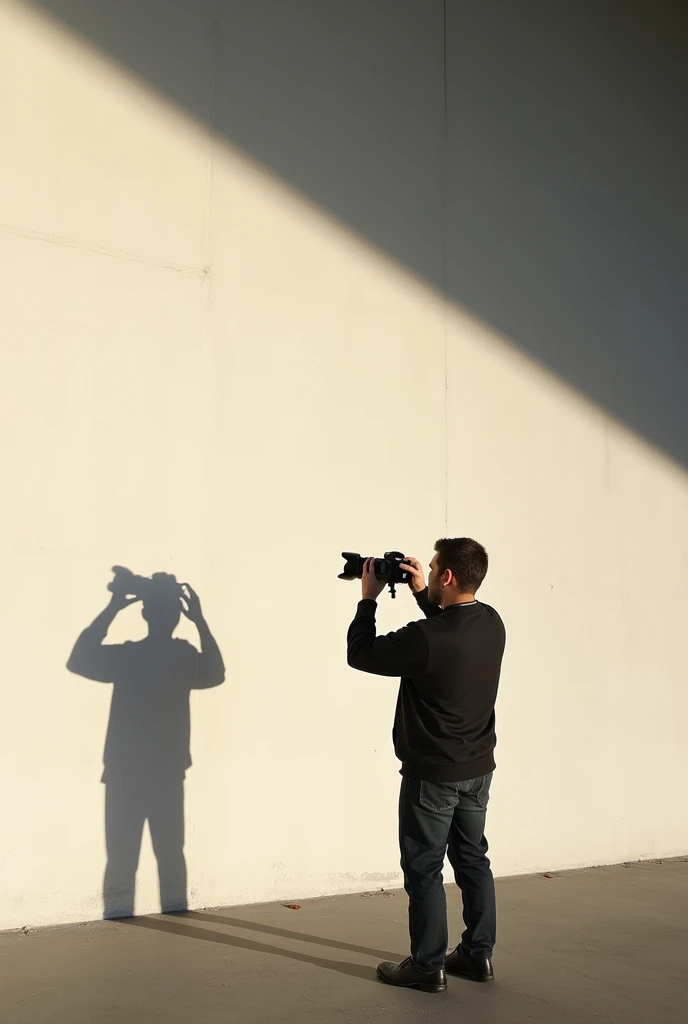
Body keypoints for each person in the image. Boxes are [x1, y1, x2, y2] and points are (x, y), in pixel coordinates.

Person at [347, 538, 506, 994]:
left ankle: (427, 965)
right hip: (478, 769)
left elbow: (361, 653)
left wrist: (368, 600)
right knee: (474, 859)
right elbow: (449, 629)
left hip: (433, 776)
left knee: (424, 870)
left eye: (433, 568)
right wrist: (419, 591)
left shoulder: (425, 639)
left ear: (449, 576)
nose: (430, 571)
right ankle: (478, 956)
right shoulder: (492, 622)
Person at [67, 572, 225, 918]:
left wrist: (111, 608)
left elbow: (78, 659)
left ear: (144, 613)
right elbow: (216, 673)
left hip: (124, 772)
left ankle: (119, 918)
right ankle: (175, 914)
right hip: (168, 772)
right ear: (175, 615)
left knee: (121, 856)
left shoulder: (128, 658)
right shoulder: (183, 658)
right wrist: (199, 621)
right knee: (171, 853)